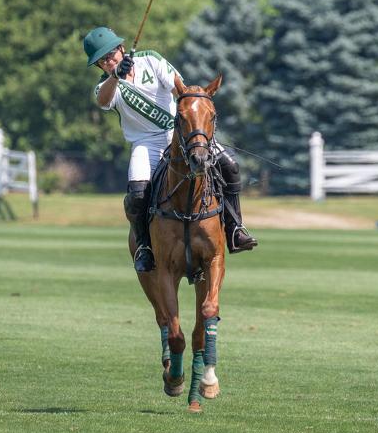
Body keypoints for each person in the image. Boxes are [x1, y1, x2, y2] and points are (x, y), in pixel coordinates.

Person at [83, 26, 258, 273]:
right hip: (146, 143)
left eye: (112, 54)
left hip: (181, 133)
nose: (110, 60)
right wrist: (116, 77)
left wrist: (192, 127)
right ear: (100, 66)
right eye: (104, 60)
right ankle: (144, 245)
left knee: (230, 165)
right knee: (137, 193)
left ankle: (235, 229)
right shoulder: (105, 86)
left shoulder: (150, 60)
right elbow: (103, 101)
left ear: (122, 49)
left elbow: (181, 92)